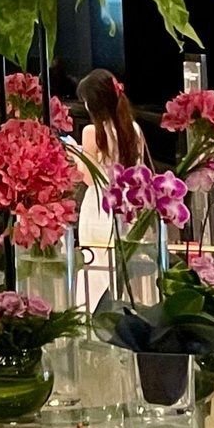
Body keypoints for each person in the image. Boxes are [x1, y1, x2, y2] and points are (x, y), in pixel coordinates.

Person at [74, 68, 145, 295]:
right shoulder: (134, 130)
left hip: (98, 206)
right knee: (122, 266)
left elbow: (89, 178)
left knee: (95, 266)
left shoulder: (91, 132)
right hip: (126, 206)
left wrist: (76, 156)